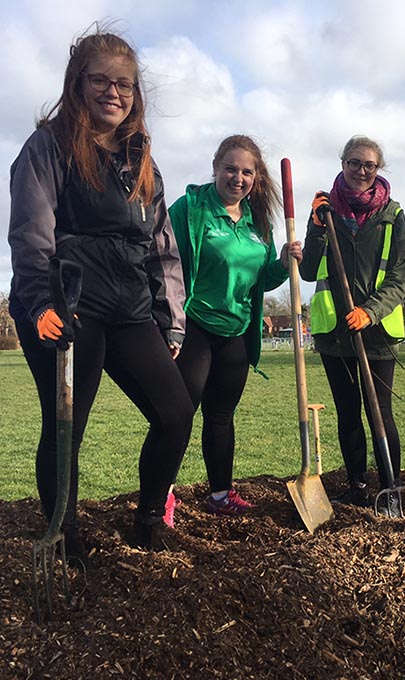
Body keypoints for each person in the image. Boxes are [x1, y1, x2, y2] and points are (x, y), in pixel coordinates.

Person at [7, 27, 194, 556]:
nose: (115, 93)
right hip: (69, 307)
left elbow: (163, 247)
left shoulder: (142, 162)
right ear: (77, 84)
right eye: (102, 81)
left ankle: (152, 516)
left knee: (175, 412)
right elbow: (30, 231)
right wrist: (42, 303)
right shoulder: (48, 147)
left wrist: (170, 318)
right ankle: (64, 536)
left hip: (130, 307)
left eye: (126, 85)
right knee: (68, 426)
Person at [168, 135, 301, 519]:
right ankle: (163, 494)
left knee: (221, 416)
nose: (237, 178)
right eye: (231, 168)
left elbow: (261, 280)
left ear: (256, 178)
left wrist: (281, 262)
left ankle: (221, 494)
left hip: (237, 332)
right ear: (215, 167)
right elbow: (162, 261)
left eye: (247, 172)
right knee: (178, 413)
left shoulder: (259, 222)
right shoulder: (191, 209)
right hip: (194, 325)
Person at [299, 135, 405, 517]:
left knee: (380, 412)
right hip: (335, 333)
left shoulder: (392, 216)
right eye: (354, 162)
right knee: (347, 413)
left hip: (376, 333)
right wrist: (315, 227)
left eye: (370, 165)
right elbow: (309, 270)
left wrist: (371, 311)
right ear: (342, 163)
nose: (361, 170)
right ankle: (358, 486)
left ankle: (392, 488)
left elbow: (398, 278)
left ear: (378, 170)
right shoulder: (327, 212)